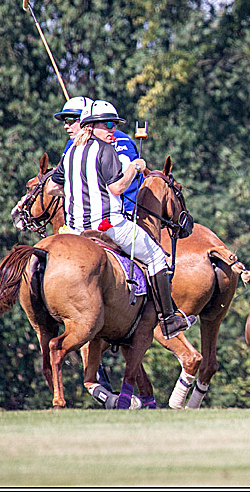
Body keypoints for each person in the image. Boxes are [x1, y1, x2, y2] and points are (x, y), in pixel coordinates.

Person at [45, 99, 195, 340]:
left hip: (73, 230)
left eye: (114, 125)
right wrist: (135, 167)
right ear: (91, 126)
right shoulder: (107, 151)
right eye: (108, 125)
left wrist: (78, 189)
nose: (112, 130)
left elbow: (52, 187)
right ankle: (169, 320)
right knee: (157, 256)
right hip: (108, 225)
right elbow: (117, 188)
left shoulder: (70, 151)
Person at [53, 96, 142, 216]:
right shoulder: (74, 144)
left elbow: (122, 182)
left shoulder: (118, 139)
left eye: (70, 121)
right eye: (65, 122)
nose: (66, 126)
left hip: (124, 209)